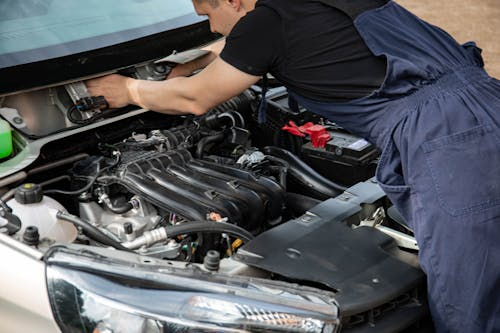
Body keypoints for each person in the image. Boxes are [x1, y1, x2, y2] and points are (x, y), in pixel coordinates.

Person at [86, 0, 500, 331]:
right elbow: (261, 43)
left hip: (448, 141)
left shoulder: (266, 22)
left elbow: (194, 100)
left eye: (209, 14)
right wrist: (196, 63)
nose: (211, 26)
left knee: (467, 289)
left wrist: (129, 89)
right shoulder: (306, 8)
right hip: (485, 104)